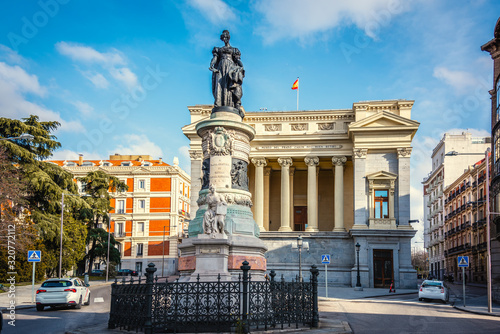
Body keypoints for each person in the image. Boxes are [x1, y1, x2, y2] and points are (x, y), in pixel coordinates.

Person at [209, 30, 244, 112]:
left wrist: (241, 66)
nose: (224, 39)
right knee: (220, 85)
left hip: (230, 68)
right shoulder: (218, 49)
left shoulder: (234, 50)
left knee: (229, 86)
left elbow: (237, 59)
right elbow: (215, 59)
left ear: (228, 38)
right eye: (223, 38)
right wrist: (211, 64)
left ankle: (231, 104)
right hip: (221, 68)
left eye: (226, 37)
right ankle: (220, 103)